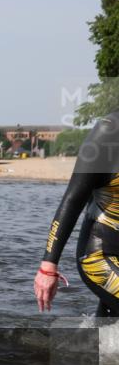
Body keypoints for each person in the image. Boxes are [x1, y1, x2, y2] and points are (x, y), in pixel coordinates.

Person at [34, 110, 119, 315]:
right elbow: (73, 200)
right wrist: (48, 265)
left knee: (108, 337)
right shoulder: (109, 130)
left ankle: (92, 346)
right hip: (100, 256)